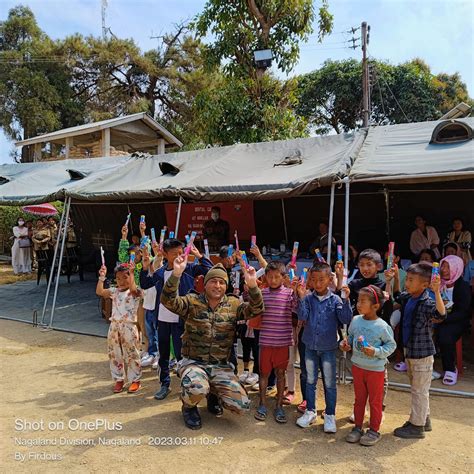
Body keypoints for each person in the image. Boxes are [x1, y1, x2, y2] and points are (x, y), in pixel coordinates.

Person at [160, 259, 264, 429]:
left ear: (226, 285)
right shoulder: (192, 302)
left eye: (222, 282)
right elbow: (167, 300)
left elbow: (257, 309)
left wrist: (253, 286)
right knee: (196, 388)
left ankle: (213, 395)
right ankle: (189, 407)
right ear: (205, 284)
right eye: (213, 281)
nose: (217, 285)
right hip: (194, 363)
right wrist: (176, 274)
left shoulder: (234, 304)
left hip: (220, 366)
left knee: (242, 405)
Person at [140, 238, 213, 401]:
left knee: (183, 356)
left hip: (182, 321)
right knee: (163, 355)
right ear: (165, 254)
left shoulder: (189, 268)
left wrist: (199, 256)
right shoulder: (160, 273)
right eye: (174, 254)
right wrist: (146, 267)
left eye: (181, 252)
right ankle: (164, 385)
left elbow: (210, 271)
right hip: (163, 320)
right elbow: (144, 284)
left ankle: (186, 386)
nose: (179, 256)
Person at [387, 263, 446, 439]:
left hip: (422, 354)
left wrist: (436, 292)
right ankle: (423, 419)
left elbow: (440, 315)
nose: (408, 282)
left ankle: (417, 426)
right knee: (418, 388)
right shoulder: (409, 297)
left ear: (424, 285)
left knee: (419, 390)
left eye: (411, 280)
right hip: (410, 351)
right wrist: (397, 277)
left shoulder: (427, 301)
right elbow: (397, 295)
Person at [295, 262, 352, 433]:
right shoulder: (308, 298)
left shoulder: (335, 299)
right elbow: (302, 316)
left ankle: (330, 415)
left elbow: (345, 319)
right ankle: (310, 411)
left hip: (328, 348)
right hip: (310, 346)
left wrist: (346, 299)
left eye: (322, 279)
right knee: (310, 380)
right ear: (310, 281)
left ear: (329, 280)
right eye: (314, 280)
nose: (318, 283)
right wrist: (301, 297)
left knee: (329, 383)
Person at [342, 286, 396, 446]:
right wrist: (345, 345)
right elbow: (350, 338)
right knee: (359, 400)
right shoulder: (356, 320)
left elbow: (391, 346)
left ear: (376, 306)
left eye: (363, 301)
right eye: (358, 300)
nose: (358, 304)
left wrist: (376, 351)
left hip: (376, 370)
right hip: (358, 367)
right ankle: (357, 427)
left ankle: (374, 430)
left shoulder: (382, 326)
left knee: (375, 401)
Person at [254, 261, 297, 424]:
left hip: (283, 343)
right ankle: (262, 404)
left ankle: (279, 406)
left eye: (276, 277)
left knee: (280, 374)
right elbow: (252, 306)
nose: (273, 280)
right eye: (270, 277)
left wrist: (296, 291)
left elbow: (297, 309)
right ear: (265, 277)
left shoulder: (289, 294)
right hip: (265, 342)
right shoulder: (262, 293)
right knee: (264, 374)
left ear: (283, 277)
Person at [96, 262, 142, 393]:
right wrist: (102, 277)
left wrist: (132, 273)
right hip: (114, 325)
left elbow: (134, 290)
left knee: (132, 352)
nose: (121, 281)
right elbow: (100, 291)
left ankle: (135, 379)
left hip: (129, 326)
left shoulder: (135, 291)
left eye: (125, 277)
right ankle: (119, 379)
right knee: (114, 353)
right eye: (118, 278)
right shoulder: (114, 291)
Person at [436, 255, 471, 385]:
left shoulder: (463, 286)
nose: (444, 269)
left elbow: (463, 312)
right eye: (443, 266)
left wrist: (443, 320)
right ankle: (416, 363)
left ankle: (450, 369)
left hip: (456, 321)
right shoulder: (438, 283)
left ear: (456, 268)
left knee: (445, 335)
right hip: (438, 318)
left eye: (448, 267)